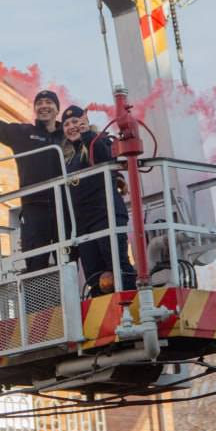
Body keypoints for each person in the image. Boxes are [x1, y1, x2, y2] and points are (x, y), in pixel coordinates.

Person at [0, 68, 65, 271]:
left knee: (68, 259)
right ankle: (41, 302)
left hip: (65, 206)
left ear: (57, 108)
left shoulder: (68, 135)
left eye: (49, 103)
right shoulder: (23, 133)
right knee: (36, 261)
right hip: (34, 207)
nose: (44, 106)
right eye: (40, 103)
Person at [60, 105, 136, 294]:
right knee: (94, 277)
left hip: (105, 215)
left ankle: (131, 304)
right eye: (67, 124)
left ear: (85, 121)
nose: (72, 126)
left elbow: (103, 158)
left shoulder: (98, 141)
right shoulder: (69, 159)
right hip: (84, 224)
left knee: (117, 267)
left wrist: (87, 134)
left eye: (76, 121)